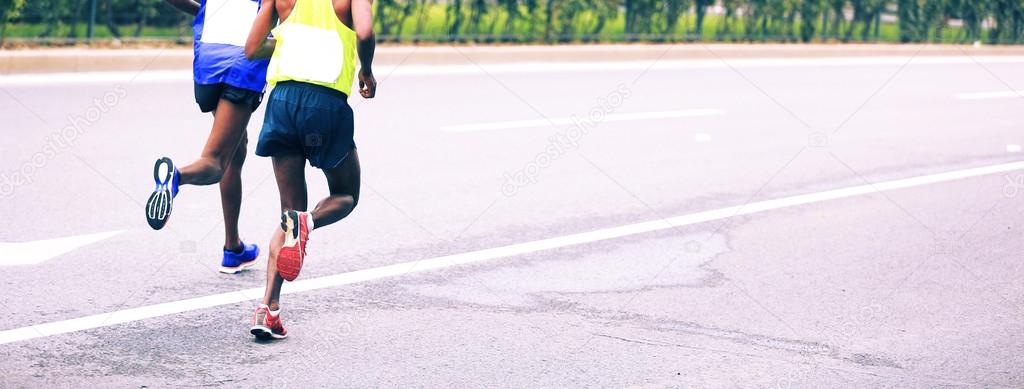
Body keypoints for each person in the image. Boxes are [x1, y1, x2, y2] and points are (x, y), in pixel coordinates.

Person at [243, 0, 376, 339]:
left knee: (289, 212)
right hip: (325, 105)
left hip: (283, 102)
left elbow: (253, 48)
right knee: (346, 193)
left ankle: (267, 309)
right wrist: (367, 70)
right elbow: (364, 31)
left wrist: (292, 42)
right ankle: (310, 221)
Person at [148, 0, 270, 274]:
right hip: (241, 63)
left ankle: (233, 248)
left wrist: (204, 8)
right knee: (215, 162)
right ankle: (176, 177)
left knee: (236, 149)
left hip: (208, 60)